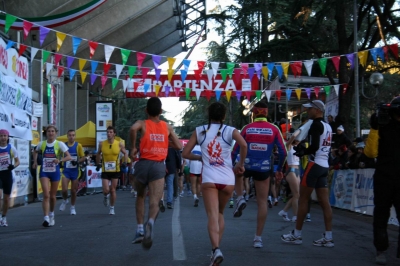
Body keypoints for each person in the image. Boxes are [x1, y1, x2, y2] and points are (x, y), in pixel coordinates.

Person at [182, 102, 247, 265]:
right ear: (224, 116)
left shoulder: (200, 131)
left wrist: (201, 158)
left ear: (208, 115)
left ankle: (215, 249)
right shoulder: (230, 130)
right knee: (220, 214)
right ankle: (216, 249)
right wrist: (240, 164)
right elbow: (244, 145)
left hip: (209, 178)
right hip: (227, 179)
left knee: (212, 215)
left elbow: (185, 153)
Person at [232, 101, 286, 248]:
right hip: (264, 167)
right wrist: (279, 169)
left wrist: (232, 165)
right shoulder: (274, 129)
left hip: (246, 164)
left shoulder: (247, 128)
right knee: (262, 202)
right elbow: (283, 152)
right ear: (266, 113)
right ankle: (258, 238)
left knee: (238, 172)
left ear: (253, 113)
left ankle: (240, 197)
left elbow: (235, 149)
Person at [129, 97, 182, 249]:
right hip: (158, 166)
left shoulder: (143, 123)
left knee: (140, 196)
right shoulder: (167, 127)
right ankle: (150, 222)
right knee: (155, 200)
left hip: (143, 164)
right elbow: (178, 145)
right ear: (160, 111)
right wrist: (164, 141)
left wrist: (133, 147)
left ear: (146, 110)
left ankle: (139, 229)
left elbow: (132, 129)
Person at [281, 99, 334, 247]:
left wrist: (303, 152)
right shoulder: (328, 126)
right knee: (325, 202)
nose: (307, 111)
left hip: (314, 164)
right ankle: (328, 237)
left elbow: (315, 146)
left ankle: (297, 235)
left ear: (317, 110)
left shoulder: (315, 125)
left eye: (310, 109)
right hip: (324, 165)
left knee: (303, 199)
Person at [364, 96, 400, 265]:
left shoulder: (382, 126)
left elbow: (370, 153)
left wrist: (375, 126)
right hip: (389, 177)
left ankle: (381, 250)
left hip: (384, 176)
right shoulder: (382, 125)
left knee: (381, 215)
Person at [33, 125, 71, 227]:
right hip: (44, 171)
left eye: (52, 131)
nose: (50, 133)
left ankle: (51, 214)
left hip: (55, 171)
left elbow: (69, 156)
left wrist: (60, 160)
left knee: (53, 196)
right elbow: (35, 151)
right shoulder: (42, 144)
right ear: (46, 133)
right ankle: (45, 218)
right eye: (49, 131)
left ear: (56, 133)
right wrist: (35, 161)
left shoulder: (60, 144)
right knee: (46, 195)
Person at [96, 126, 128, 215]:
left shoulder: (119, 144)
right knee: (106, 190)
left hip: (115, 169)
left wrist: (125, 162)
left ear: (114, 134)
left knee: (113, 189)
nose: (108, 134)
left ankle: (112, 208)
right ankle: (106, 196)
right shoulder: (102, 144)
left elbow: (125, 153)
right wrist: (98, 163)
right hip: (105, 169)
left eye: (110, 132)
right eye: (107, 132)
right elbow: (98, 153)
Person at [59, 130, 86, 215]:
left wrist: (77, 161)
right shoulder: (64, 145)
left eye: (73, 135)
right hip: (66, 170)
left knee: (74, 191)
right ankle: (65, 200)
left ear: (75, 136)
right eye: (70, 135)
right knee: (64, 190)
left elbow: (83, 157)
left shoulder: (78, 146)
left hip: (75, 171)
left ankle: (72, 207)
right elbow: (59, 154)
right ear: (67, 136)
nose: (71, 137)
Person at [0, 129, 20, 227]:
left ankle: (4, 217)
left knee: (6, 199)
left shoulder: (11, 148)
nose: (3, 138)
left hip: (7, 174)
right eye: (1, 136)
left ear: (8, 137)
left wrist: (13, 166)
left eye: (5, 136)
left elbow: (17, 161)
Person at [278, 137, 300, 222]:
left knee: (297, 195)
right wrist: (298, 132)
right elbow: (294, 136)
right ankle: (295, 216)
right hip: (291, 170)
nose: (299, 141)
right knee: (296, 194)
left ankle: (284, 211)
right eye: (298, 139)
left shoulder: (297, 147)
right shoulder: (288, 146)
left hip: (297, 170)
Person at [165, 144, 181, 209]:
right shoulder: (175, 147)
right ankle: (169, 201)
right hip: (171, 168)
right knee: (170, 185)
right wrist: (178, 167)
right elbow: (178, 158)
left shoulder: (162, 145)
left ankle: (160, 200)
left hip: (160, 166)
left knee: (159, 184)